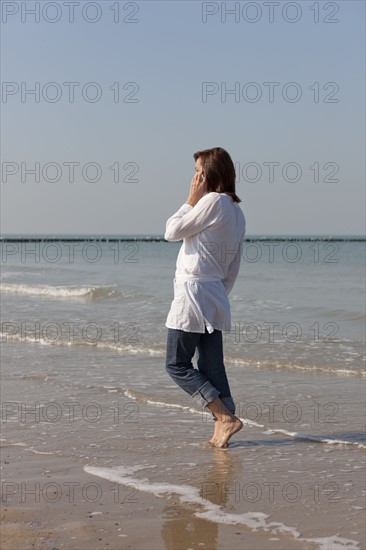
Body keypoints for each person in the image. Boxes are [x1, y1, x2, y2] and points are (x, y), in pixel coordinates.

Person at [164, 147, 246, 448]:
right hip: (213, 295)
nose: (194, 176)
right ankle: (222, 429)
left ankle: (225, 418)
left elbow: (172, 231)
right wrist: (218, 294)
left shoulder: (212, 201)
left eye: (197, 170)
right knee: (212, 367)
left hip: (193, 293)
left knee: (176, 364)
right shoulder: (237, 211)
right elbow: (234, 265)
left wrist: (190, 199)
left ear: (207, 174)